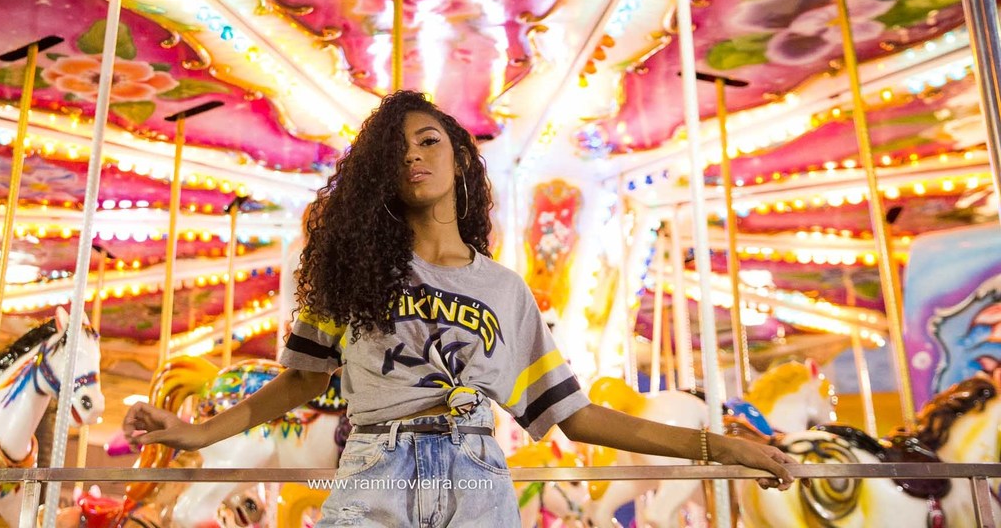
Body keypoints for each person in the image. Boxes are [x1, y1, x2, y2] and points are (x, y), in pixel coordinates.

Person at [123, 91, 795, 527]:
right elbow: (301, 382)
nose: (413, 156)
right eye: (397, 151)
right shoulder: (348, 269)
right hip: (376, 467)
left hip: (475, 478)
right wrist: (199, 435)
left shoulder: (505, 290)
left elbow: (577, 416)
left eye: (428, 141)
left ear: (458, 157)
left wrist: (720, 445)